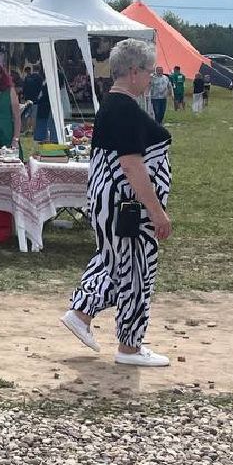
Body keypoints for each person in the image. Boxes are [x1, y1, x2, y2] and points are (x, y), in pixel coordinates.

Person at [60, 39, 172, 367]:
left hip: (114, 201)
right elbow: (132, 165)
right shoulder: (123, 108)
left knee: (114, 260)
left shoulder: (114, 105)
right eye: (149, 71)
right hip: (126, 203)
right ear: (134, 72)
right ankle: (126, 345)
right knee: (133, 269)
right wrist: (157, 212)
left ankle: (90, 319)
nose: (152, 78)